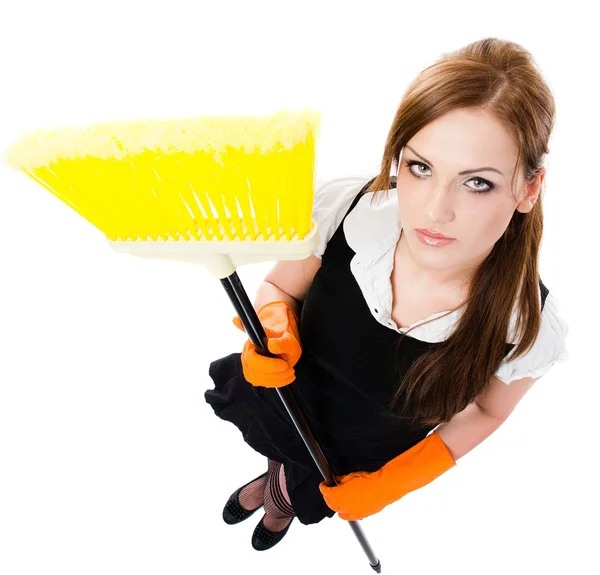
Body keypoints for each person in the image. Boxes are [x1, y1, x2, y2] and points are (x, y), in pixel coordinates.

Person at [204, 36, 570, 551]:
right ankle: (277, 482)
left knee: (306, 484)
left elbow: (485, 411)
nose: (434, 210)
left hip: (361, 445)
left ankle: (280, 499)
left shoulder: (525, 325)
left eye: (478, 183)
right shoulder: (352, 212)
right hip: (293, 392)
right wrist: (274, 322)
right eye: (420, 168)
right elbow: (282, 286)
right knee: (283, 444)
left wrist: (399, 480)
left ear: (528, 189)